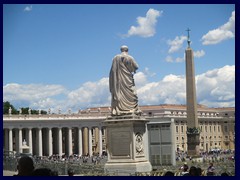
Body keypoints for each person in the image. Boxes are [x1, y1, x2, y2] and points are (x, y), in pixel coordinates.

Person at [109, 45, 141, 116]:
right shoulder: (129, 57)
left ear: (121, 50)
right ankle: (131, 108)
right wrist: (129, 67)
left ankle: (119, 109)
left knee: (119, 93)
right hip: (127, 79)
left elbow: (112, 71)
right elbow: (136, 67)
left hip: (118, 81)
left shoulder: (115, 58)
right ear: (127, 50)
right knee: (132, 93)